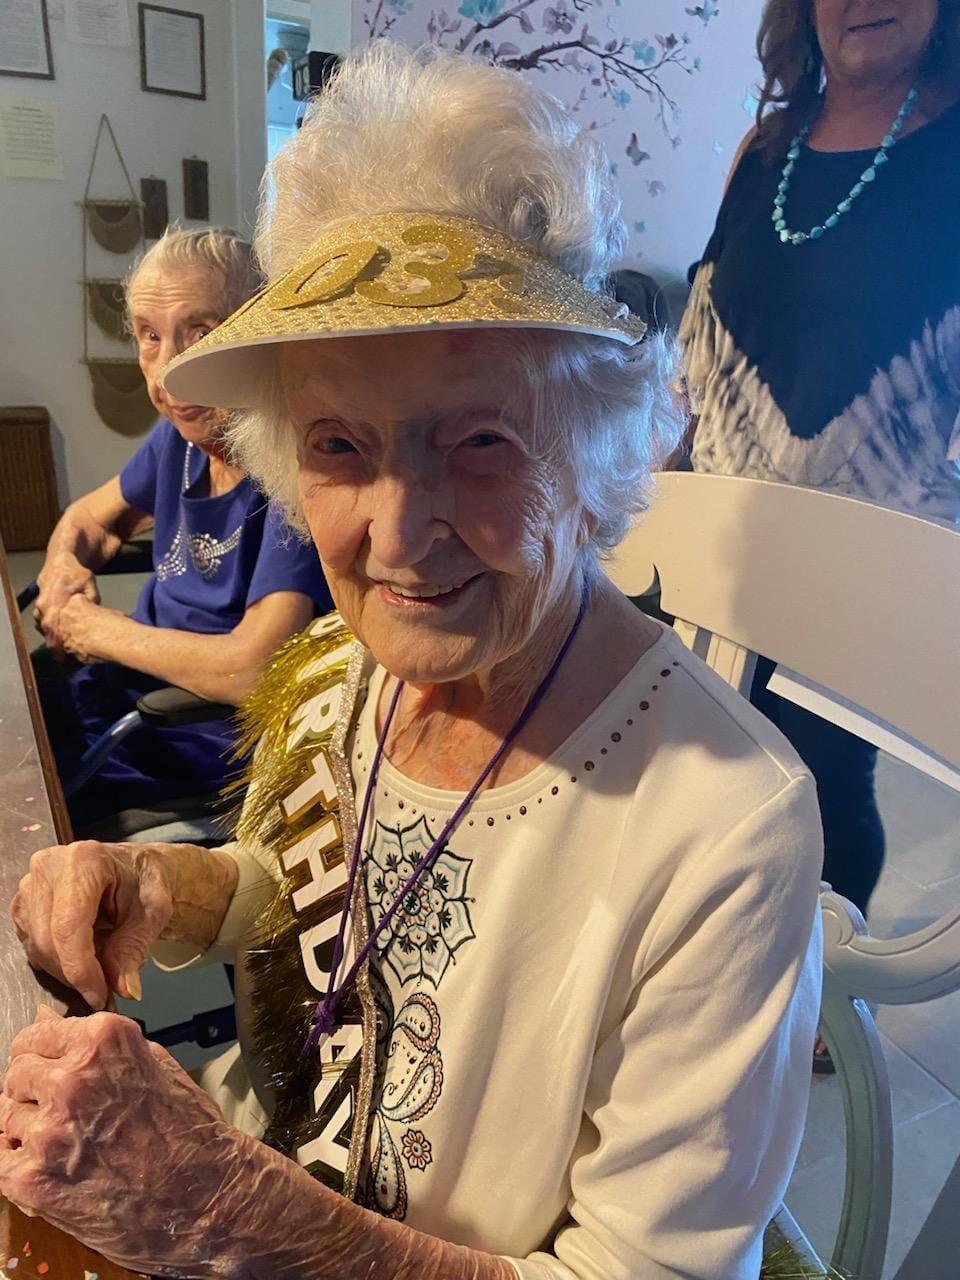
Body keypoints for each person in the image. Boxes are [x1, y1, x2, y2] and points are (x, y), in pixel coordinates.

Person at [1, 46, 823, 1280]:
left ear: (592, 452)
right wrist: (165, 886)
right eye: (340, 442)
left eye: (482, 439)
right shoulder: (345, 665)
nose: (397, 532)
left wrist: (226, 1208)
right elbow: (316, 892)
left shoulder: (727, 829)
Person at [679, 0, 960, 919]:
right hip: (720, 540)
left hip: (872, 554)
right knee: (701, 767)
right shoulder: (764, 149)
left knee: (820, 781)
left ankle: (819, 1003)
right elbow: (711, 331)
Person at [33, 227, 333, 832]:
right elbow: (88, 518)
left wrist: (98, 630)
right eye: (149, 335)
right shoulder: (180, 438)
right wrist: (62, 567)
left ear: (256, 331)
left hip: (195, 734)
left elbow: (251, 670)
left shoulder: (292, 470)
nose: (170, 372)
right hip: (132, 689)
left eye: (201, 332)